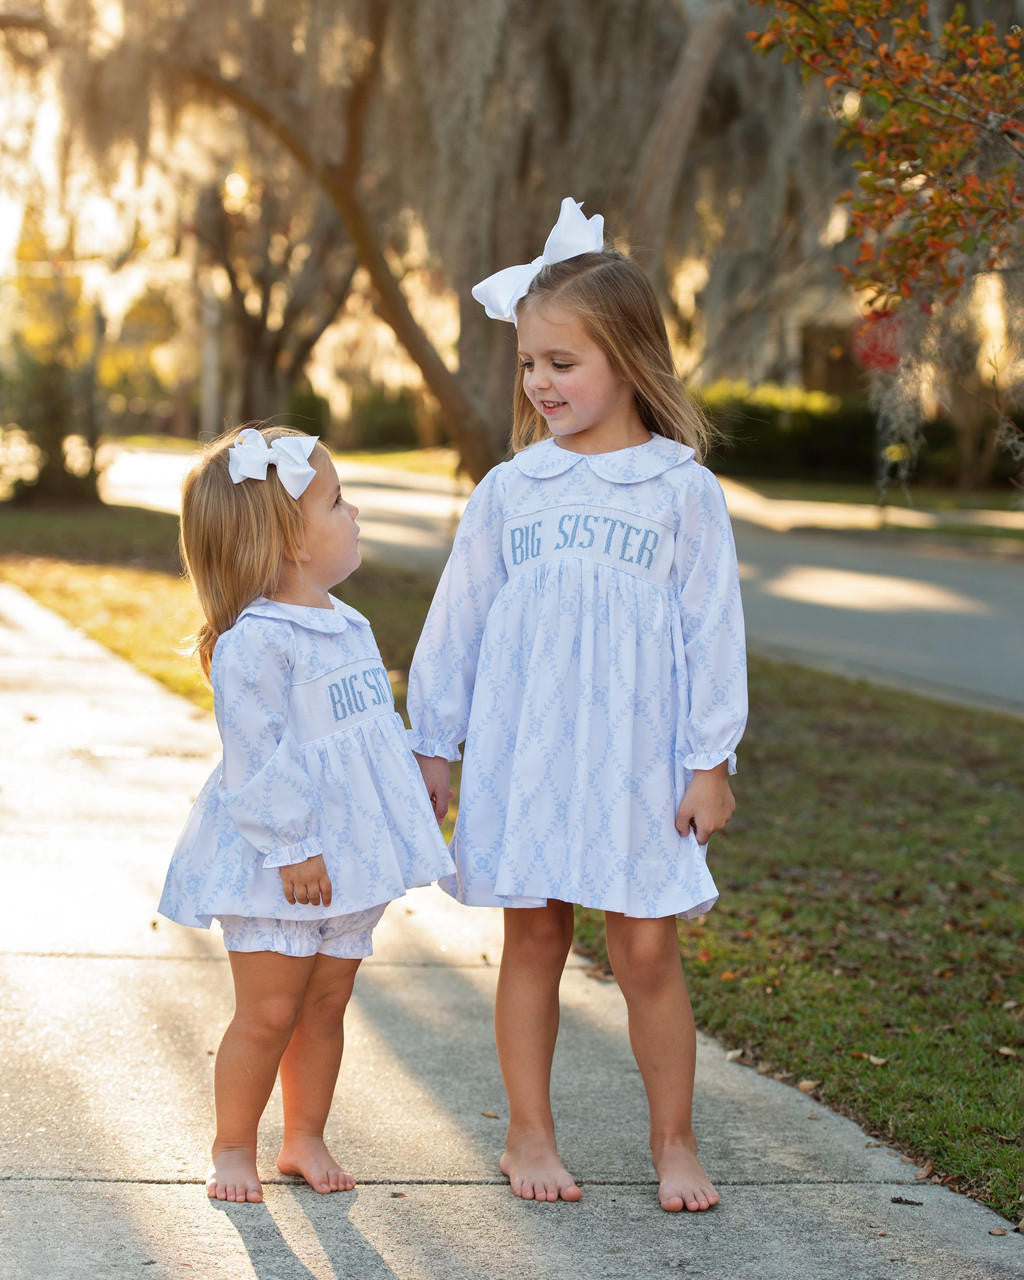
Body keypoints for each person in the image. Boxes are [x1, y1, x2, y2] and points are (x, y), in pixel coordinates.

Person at [408, 198, 747, 1214]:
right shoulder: (513, 491)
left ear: (629, 359)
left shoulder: (680, 490)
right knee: (536, 936)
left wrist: (709, 758)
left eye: (563, 362)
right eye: (529, 364)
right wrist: (433, 742)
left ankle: (675, 1140)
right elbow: (456, 621)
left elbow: (711, 629)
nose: (541, 384)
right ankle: (528, 1131)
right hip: (531, 749)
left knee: (645, 946)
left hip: (638, 757)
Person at [159, 425, 453, 1204]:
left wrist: (410, 779)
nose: (353, 513)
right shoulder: (257, 641)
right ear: (290, 541)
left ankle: (305, 1136)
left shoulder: (345, 622)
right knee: (269, 1013)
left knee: (326, 1005)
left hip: (348, 861)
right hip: (281, 865)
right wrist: (294, 844)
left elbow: (362, 738)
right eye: (337, 501)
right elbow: (260, 757)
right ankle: (231, 1148)